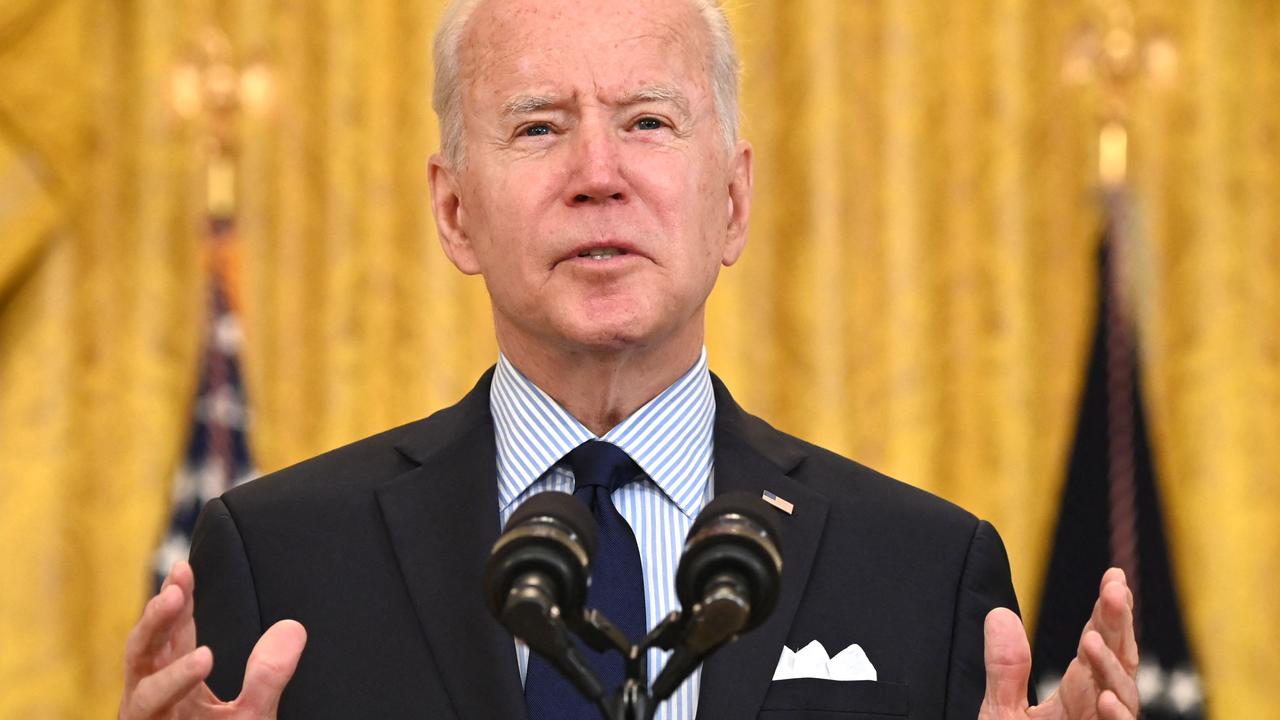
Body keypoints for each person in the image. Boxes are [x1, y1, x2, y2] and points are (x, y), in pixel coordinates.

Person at [117, 0, 1141, 718]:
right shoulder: (279, 556)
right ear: (453, 209)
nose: (596, 175)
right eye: (537, 127)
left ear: (731, 202)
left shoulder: (920, 567)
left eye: (647, 122)